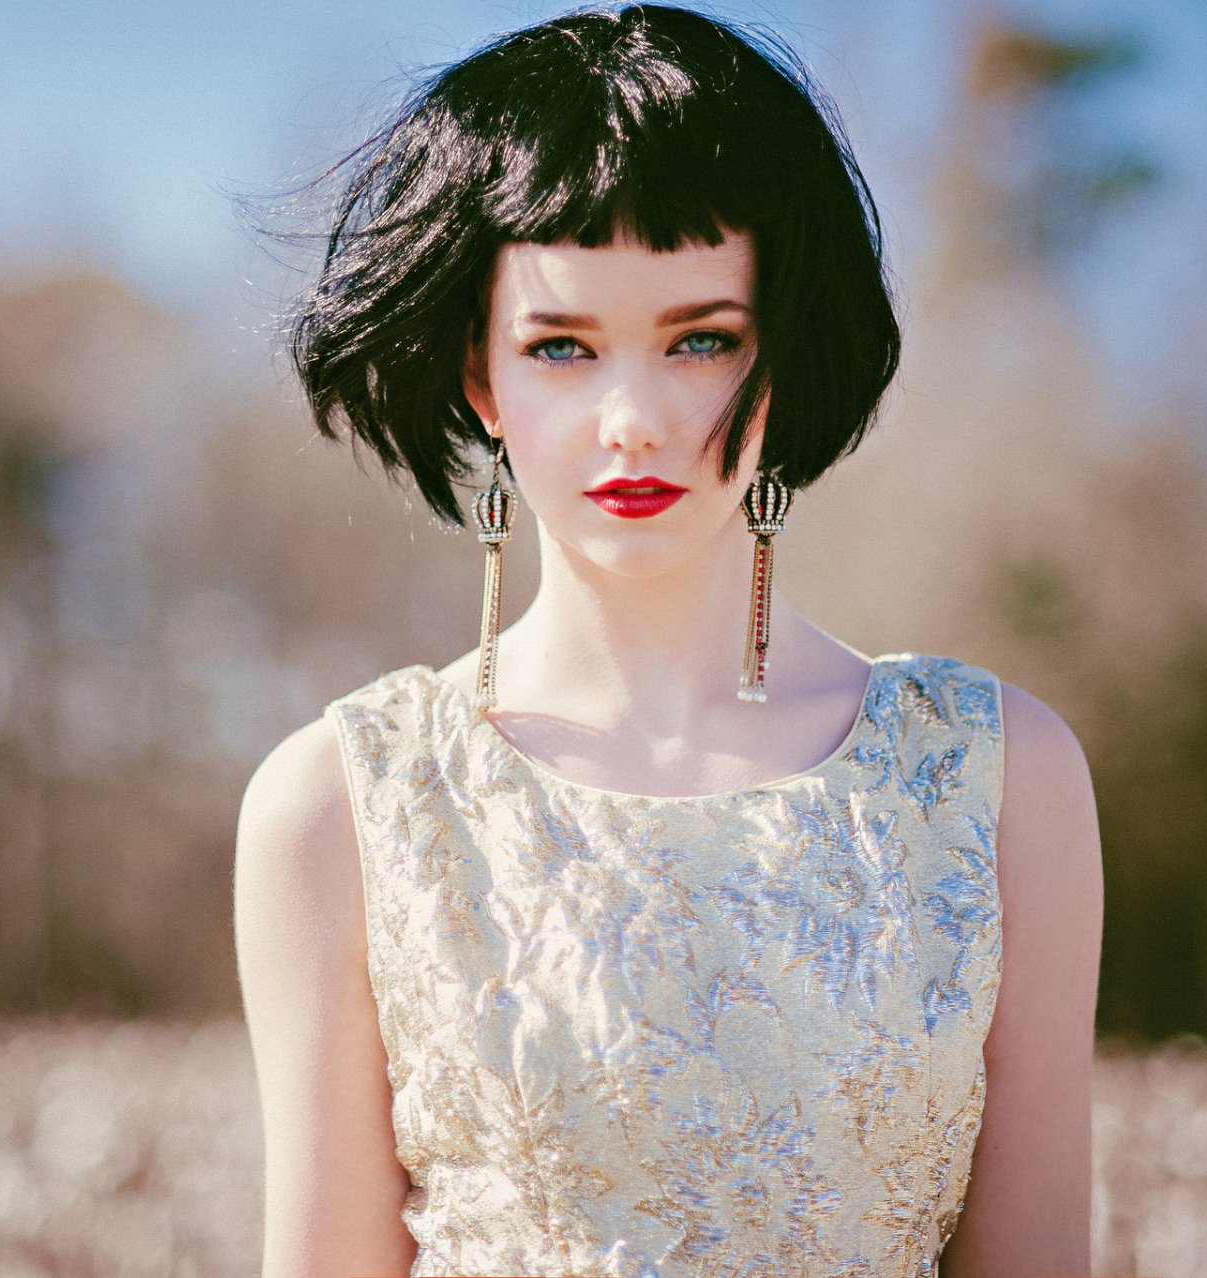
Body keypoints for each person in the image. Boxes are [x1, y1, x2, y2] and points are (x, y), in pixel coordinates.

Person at [233, 5, 1103, 1276]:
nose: (631, 418)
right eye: (561, 347)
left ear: (786, 353)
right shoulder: (342, 808)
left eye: (701, 338)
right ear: (481, 377)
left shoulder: (999, 778)